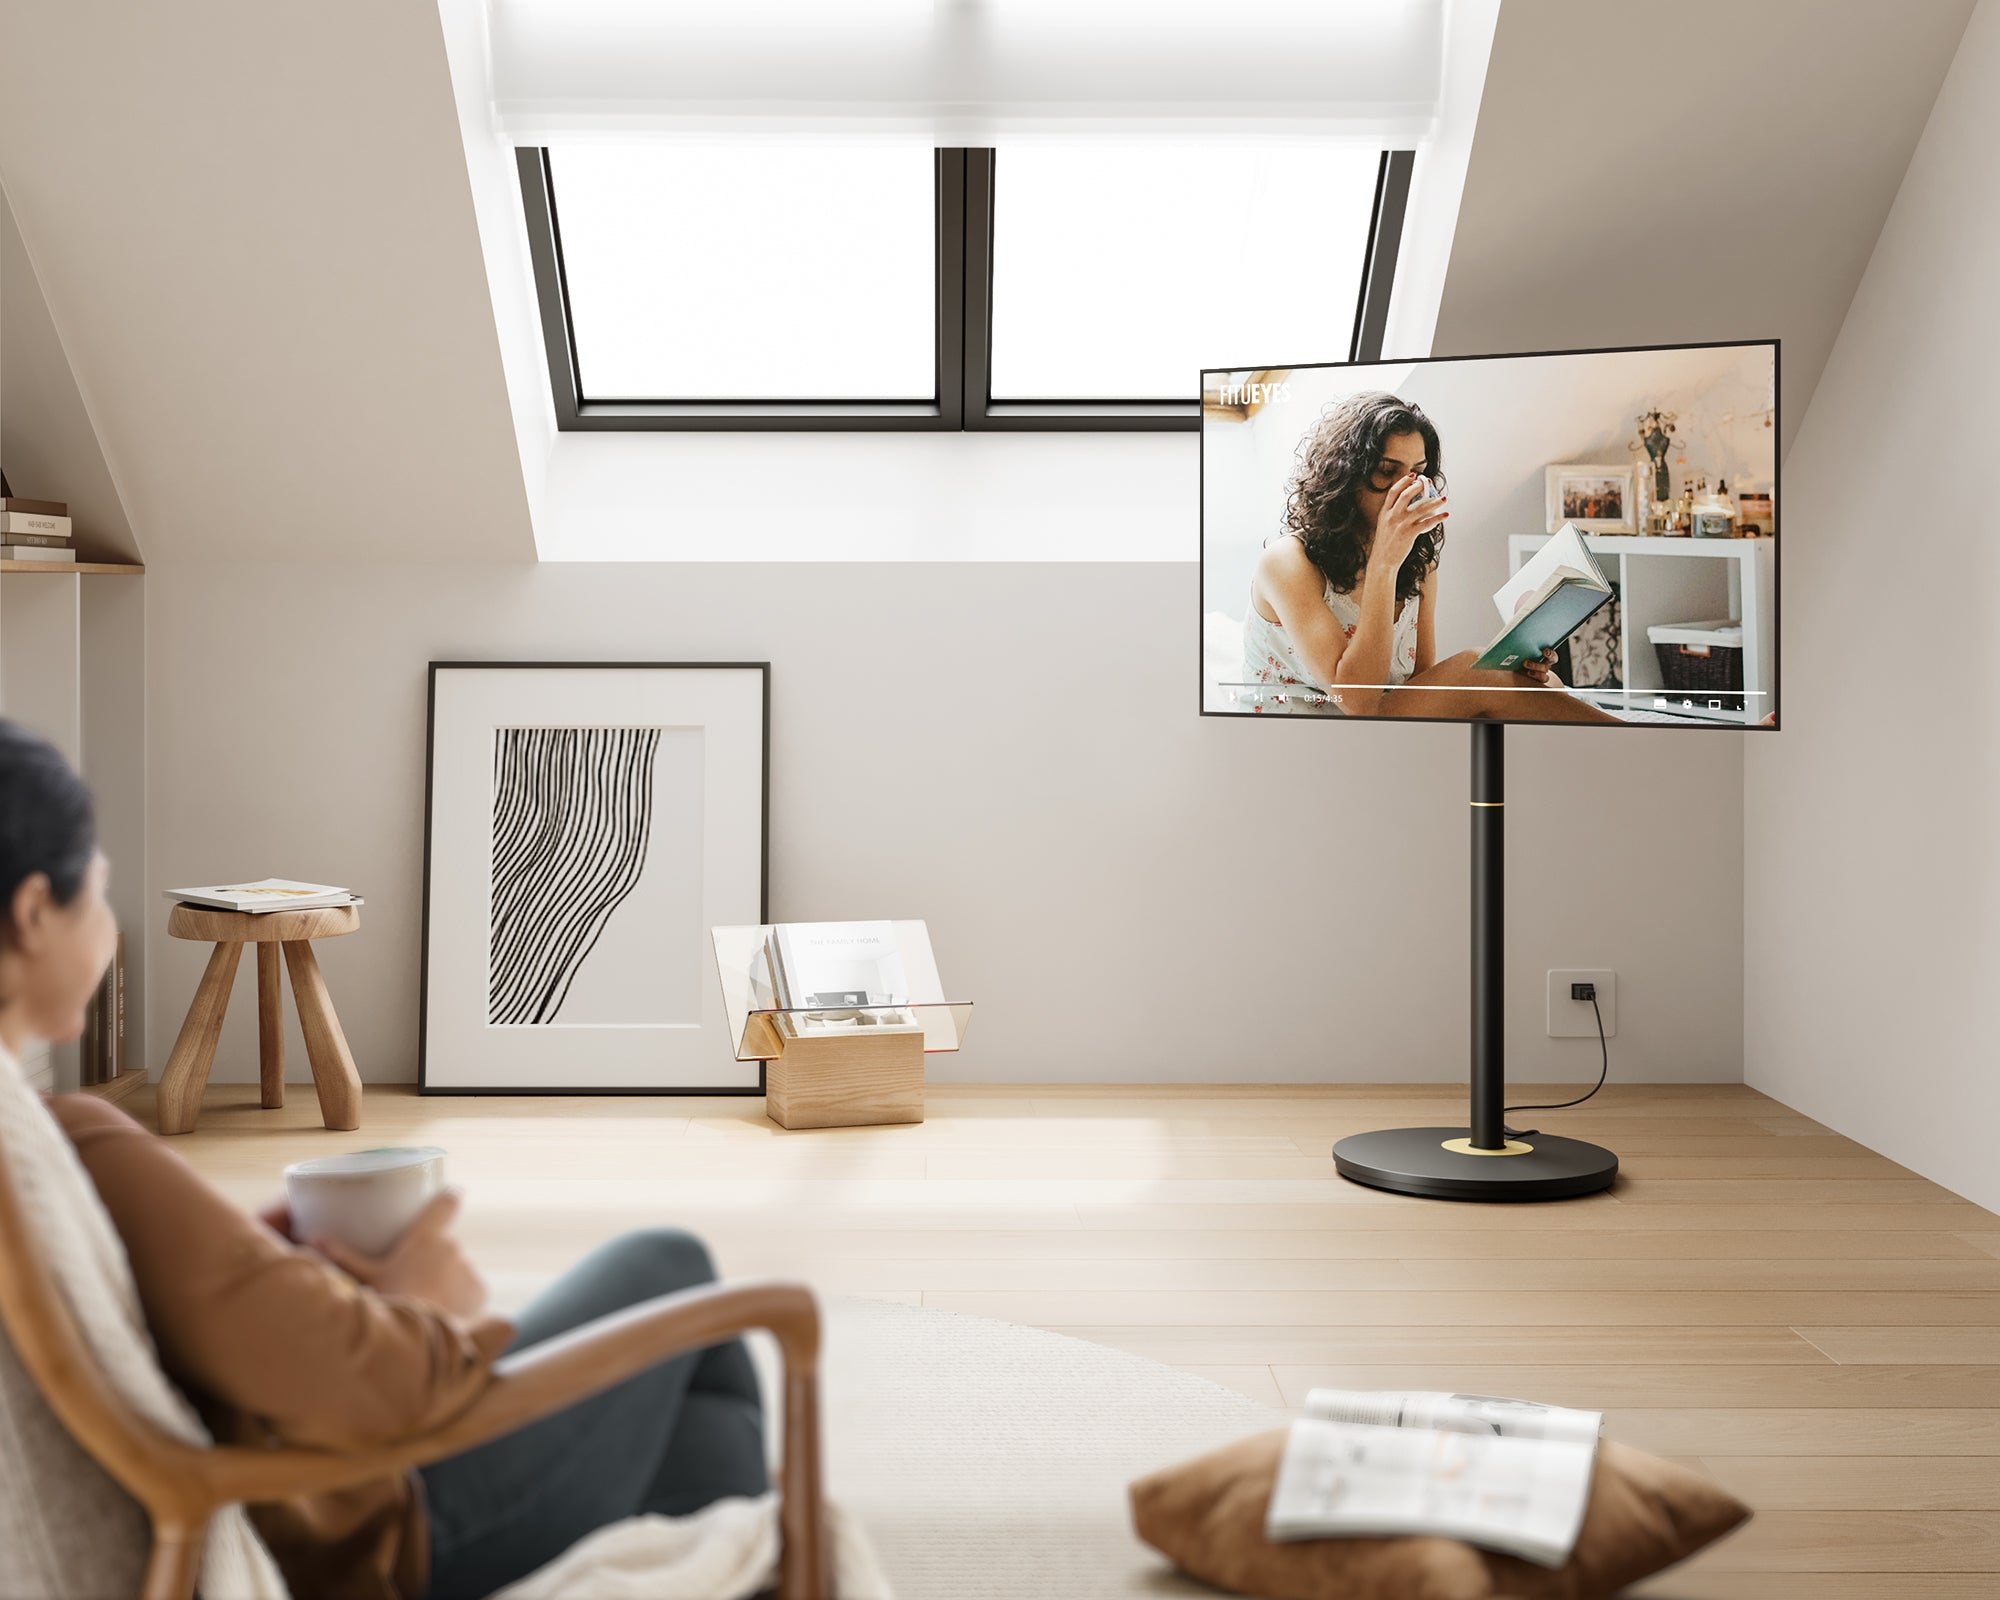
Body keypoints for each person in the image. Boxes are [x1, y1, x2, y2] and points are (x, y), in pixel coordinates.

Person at [0, 720, 767, 1600]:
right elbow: (393, 1387)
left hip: (295, 1497)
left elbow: (176, 1329)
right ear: (31, 915)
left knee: (700, 1426)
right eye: (96, 893)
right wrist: (422, 1301)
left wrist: (266, 1268)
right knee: (674, 1270)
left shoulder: (35, 1139)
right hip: (373, 1532)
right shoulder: (71, 1138)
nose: (107, 923)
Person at [1241, 391, 1621, 722]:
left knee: (1543, 682)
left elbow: (1421, 685)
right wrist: (1384, 565)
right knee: (1479, 671)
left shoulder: (1420, 561)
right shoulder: (1287, 562)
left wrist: (1517, 668)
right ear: (1345, 477)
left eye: (1418, 472)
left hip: (1381, 725)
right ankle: (1632, 743)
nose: (1408, 487)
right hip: (1304, 736)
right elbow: (1356, 699)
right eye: (1388, 471)